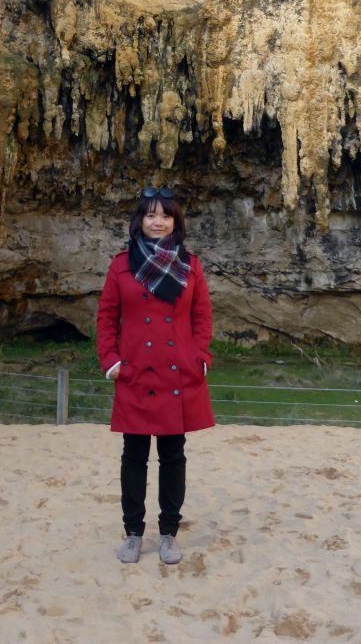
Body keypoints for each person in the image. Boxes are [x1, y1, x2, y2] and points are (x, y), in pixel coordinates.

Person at [96, 187, 214, 564]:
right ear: (140, 221)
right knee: (133, 456)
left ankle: (168, 534)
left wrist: (201, 358)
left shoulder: (190, 264)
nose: (157, 221)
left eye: (165, 215)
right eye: (150, 215)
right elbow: (106, 317)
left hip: (177, 374)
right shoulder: (121, 265)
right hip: (135, 374)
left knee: (173, 455)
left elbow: (202, 316)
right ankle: (133, 533)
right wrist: (111, 360)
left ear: (175, 222)